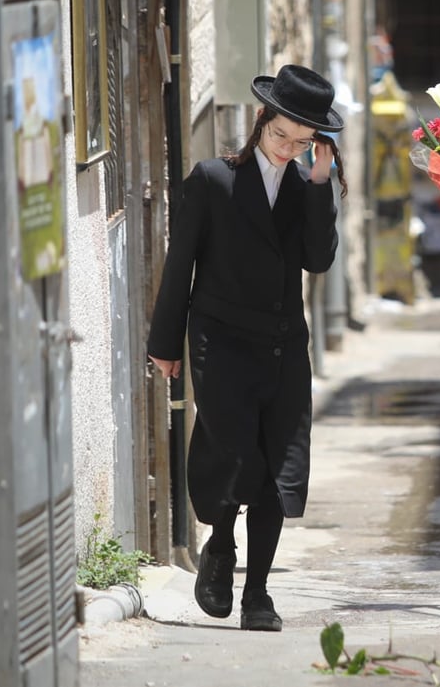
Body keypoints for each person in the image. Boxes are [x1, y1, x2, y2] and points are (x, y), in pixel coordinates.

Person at [147, 64, 346, 631]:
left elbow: (319, 258)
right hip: (219, 341)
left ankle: (258, 593)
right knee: (238, 455)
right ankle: (220, 545)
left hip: (283, 347)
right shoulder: (212, 180)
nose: (288, 149)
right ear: (262, 121)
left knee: (278, 468)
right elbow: (180, 264)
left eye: (302, 143)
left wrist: (319, 183)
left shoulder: (306, 186)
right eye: (281, 135)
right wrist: (165, 343)